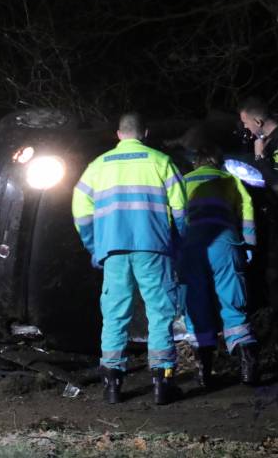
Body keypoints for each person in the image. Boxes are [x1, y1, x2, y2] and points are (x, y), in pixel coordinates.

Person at [72, 112, 187, 405]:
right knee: (159, 312)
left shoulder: (97, 166)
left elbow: (80, 211)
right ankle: (162, 382)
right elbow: (181, 211)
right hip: (154, 248)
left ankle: (112, 384)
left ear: (118, 134)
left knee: (115, 314)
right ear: (145, 133)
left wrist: (95, 246)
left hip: (113, 250)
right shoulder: (162, 162)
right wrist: (178, 245)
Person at [179, 144, 259, 388]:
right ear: (217, 162)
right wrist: (249, 244)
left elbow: (174, 214)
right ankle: (248, 366)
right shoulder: (229, 179)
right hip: (224, 241)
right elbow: (247, 208)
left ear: (195, 163)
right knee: (233, 301)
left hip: (192, 245)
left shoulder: (184, 181)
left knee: (196, 304)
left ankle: (204, 372)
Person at [238, 96, 278, 346]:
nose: (245, 129)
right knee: (275, 273)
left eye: (246, 123)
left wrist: (261, 160)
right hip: (274, 218)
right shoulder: (268, 141)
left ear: (258, 121)